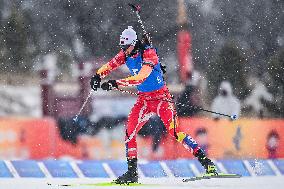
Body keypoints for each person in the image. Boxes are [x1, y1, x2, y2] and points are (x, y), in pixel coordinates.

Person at [90, 26, 217, 184]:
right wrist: (97, 75)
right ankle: (132, 173)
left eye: (126, 47)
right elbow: (110, 65)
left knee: (175, 132)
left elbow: (140, 78)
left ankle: (207, 164)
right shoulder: (125, 53)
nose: (124, 51)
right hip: (144, 100)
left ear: (135, 43)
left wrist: (116, 83)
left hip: (161, 99)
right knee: (129, 131)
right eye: (122, 48)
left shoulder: (149, 53)